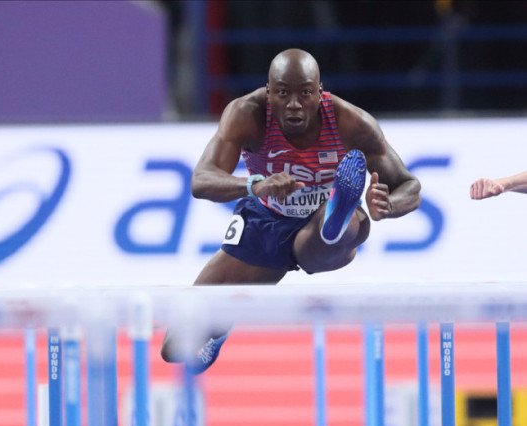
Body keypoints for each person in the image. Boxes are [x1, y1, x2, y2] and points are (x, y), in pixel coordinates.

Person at [161, 48, 421, 373]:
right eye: (283, 93)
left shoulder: (352, 123)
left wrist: (389, 204)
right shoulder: (246, 114)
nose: (295, 104)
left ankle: (336, 217)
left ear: (320, 92)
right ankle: (222, 326)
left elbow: (409, 185)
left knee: (334, 229)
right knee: (175, 345)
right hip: (265, 221)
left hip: (323, 229)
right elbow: (201, 180)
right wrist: (254, 185)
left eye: (306, 93)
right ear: (269, 92)